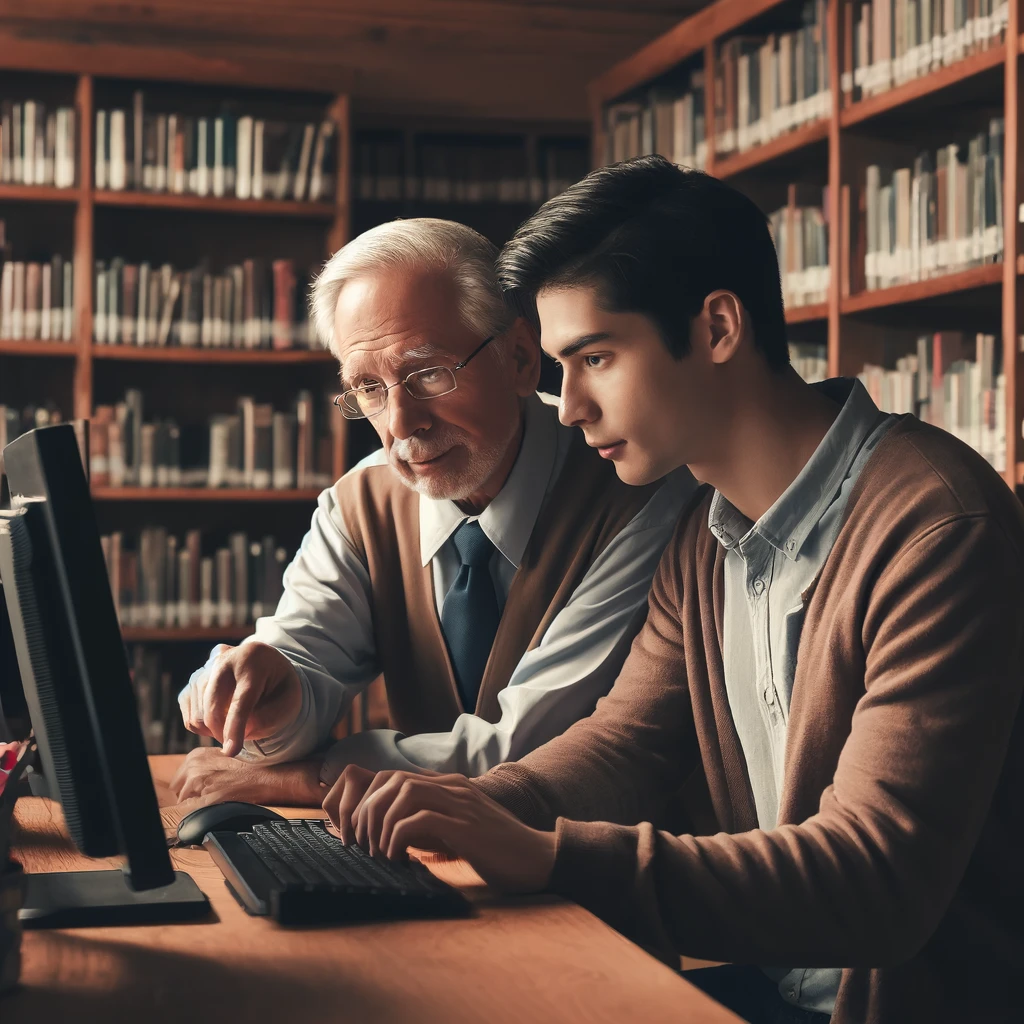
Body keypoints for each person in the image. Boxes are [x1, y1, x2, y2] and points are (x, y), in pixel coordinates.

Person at [322, 159, 1024, 1024]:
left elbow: (878, 880)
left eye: (596, 359)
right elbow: (625, 745)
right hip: (774, 988)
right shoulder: (704, 533)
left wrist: (542, 857)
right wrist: (470, 808)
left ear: (719, 326)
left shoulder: (935, 528)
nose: (568, 407)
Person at [172, 217, 694, 809]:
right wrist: (273, 698)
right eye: (368, 387)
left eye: (427, 374)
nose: (400, 425)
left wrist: (310, 779)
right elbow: (304, 662)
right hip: (437, 859)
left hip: (599, 869)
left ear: (521, 359)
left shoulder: (634, 491)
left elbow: (531, 750)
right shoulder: (360, 502)